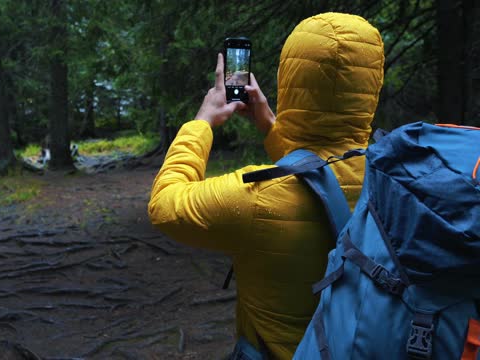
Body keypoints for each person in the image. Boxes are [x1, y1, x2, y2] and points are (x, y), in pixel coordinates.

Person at [147, 12, 384, 359]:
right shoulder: (397, 179)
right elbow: (325, 169)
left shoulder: (258, 198)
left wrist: (201, 123)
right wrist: (271, 124)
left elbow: (165, 205)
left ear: (290, 79)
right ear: (371, 86)